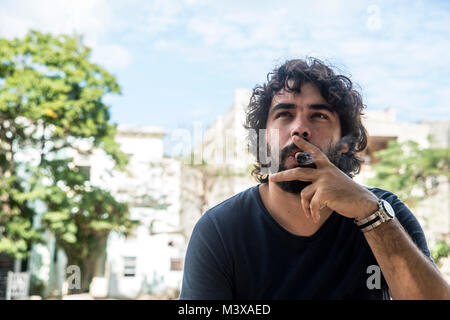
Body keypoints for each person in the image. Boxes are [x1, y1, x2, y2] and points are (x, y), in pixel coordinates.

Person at [179, 58, 450, 299]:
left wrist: (372, 216)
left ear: (345, 142)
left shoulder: (385, 212)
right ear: (264, 141)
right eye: (284, 115)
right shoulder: (220, 230)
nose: (299, 129)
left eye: (318, 116)